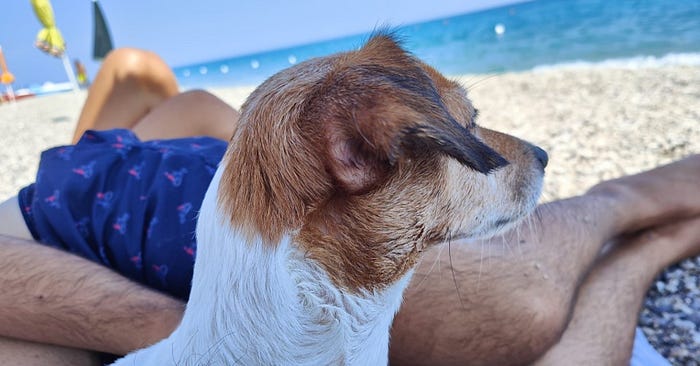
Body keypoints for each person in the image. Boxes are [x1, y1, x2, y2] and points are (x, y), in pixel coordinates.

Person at [0, 48, 697, 366]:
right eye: (468, 123)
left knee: (141, 71)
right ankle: (634, 222)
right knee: (523, 302)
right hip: (99, 208)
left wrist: (226, 340)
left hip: (85, 194)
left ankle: (626, 210)